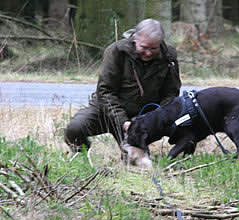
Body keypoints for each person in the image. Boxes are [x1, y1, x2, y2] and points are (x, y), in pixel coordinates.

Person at [64, 19, 181, 157]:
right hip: (107, 111)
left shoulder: (168, 56)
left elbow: (171, 93)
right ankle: (82, 156)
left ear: (160, 43)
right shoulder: (116, 52)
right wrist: (123, 121)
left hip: (142, 116)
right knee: (74, 129)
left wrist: (154, 118)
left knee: (136, 159)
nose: (149, 53)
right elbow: (105, 91)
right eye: (144, 47)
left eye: (153, 48)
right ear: (134, 39)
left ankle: (172, 156)